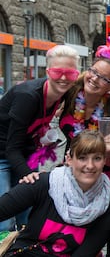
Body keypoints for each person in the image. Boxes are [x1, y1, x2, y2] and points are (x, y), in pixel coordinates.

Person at [0, 129, 110, 256]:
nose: (90, 165)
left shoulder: (108, 202)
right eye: (82, 158)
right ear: (69, 159)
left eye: (97, 158)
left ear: (104, 161)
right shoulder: (45, 183)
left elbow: (86, 252)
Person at [0, 45, 80, 231]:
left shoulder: (66, 93)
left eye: (69, 73)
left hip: (26, 151)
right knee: (4, 216)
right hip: (3, 153)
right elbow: (12, 148)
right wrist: (28, 174)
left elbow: (70, 129)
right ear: (47, 71)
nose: (63, 78)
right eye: (57, 72)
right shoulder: (27, 96)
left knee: (27, 213)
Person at [60, 43, 110, 185]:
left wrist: (107, 151)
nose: (95, 79)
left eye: (104, 78)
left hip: (107, 178)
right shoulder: (69, 95)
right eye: (94, 71)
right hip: (72, 172)